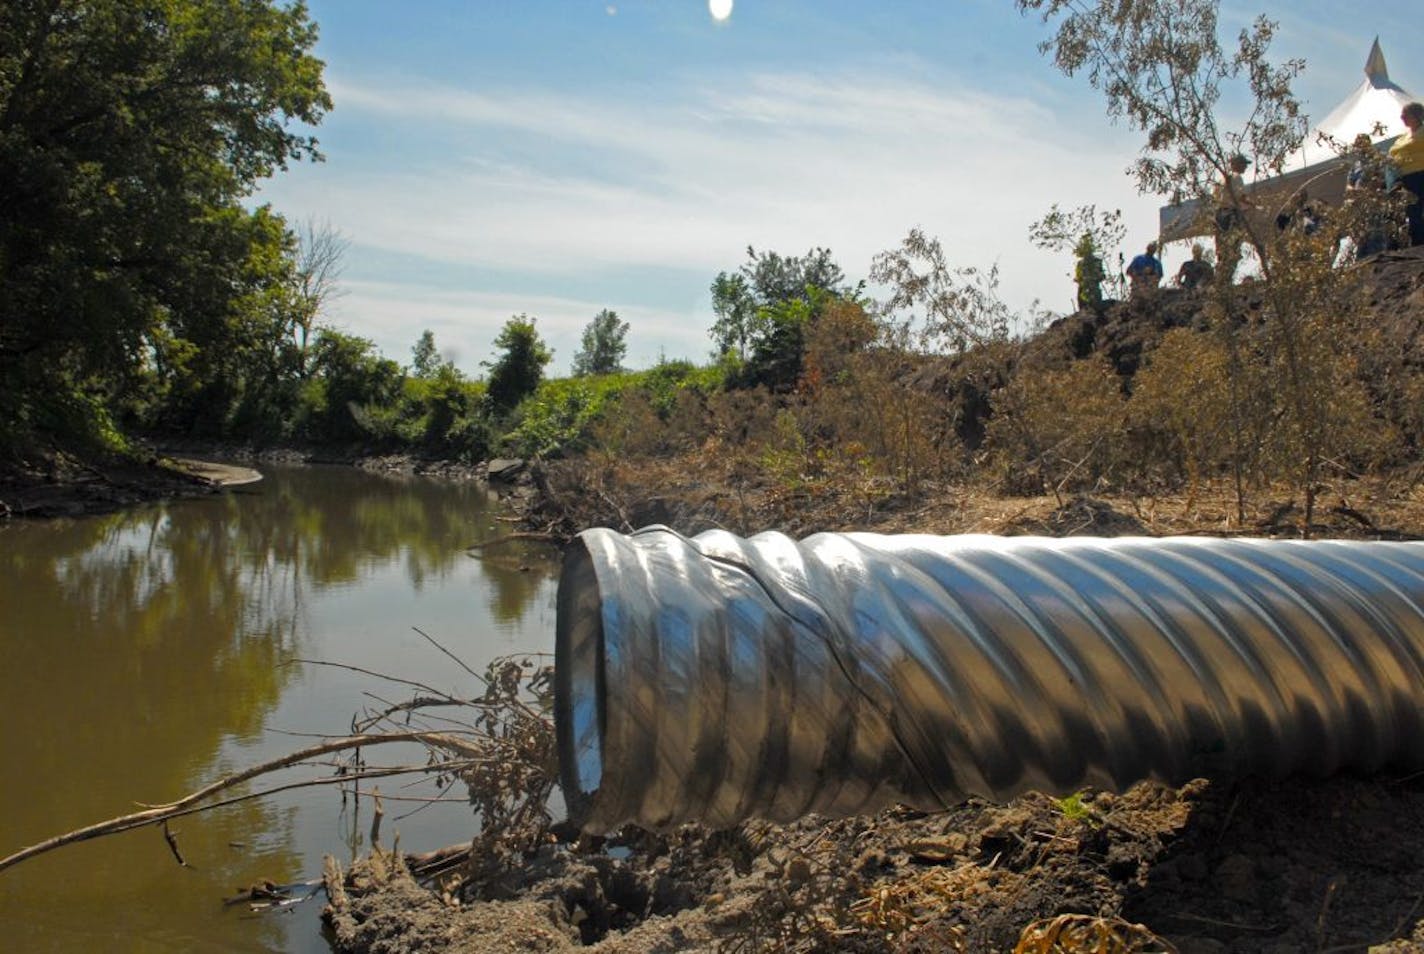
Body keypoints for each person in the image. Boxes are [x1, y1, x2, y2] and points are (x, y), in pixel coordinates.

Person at [1389, 101, 1424, 247]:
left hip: (1421, 174)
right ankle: (1418, 245)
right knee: (1412, 212)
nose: (1402, 117)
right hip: (1405, 178)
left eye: (1405, 114)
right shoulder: (1401, 138)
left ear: (1416, 116)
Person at [1214, 153, 1251, 282]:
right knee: (1233, 250)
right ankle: (1226, 278)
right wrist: (1253, 205)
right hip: (1231, 215)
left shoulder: (1221, 180)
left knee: (1222, 251)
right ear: (1236, 164)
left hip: (1220, 216)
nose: (1245, 167)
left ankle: (1221, 278)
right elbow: (1241, 197)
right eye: (1243, 164)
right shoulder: (1237, 177)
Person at [1073, 233, 1105, 311]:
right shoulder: (1081, 263)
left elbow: (1102, 276)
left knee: (1094, 309)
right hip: (1085, 289)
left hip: (1092, 289)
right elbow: (1078, 277)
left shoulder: (1096, 261)